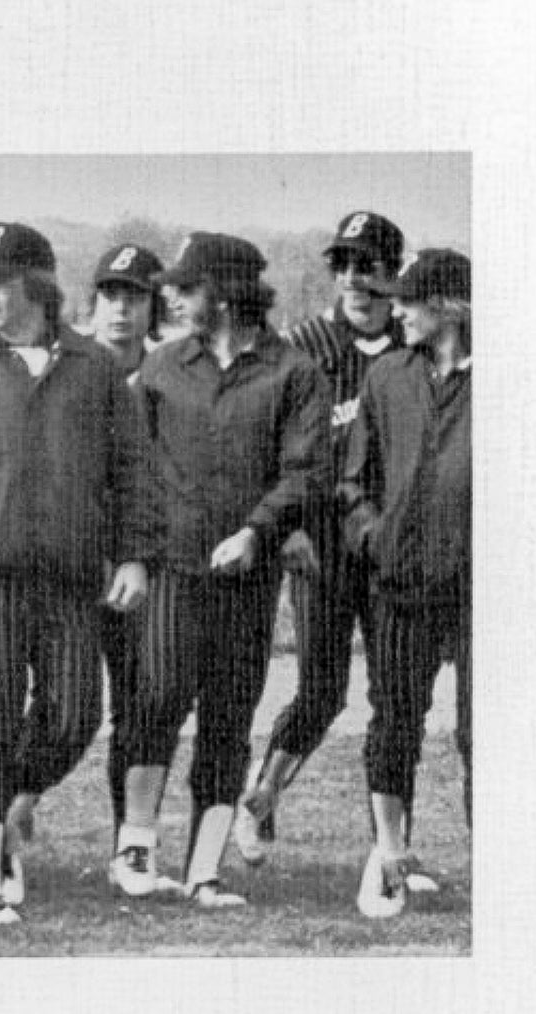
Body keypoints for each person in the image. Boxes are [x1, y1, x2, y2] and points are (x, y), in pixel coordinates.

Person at [0, 223, 160, 927]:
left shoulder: (95, 369)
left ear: (36, 288)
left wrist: (134, 555)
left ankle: (9, 809)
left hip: (72, 581)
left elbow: (132, 473)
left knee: (75, 717)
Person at [118, 232, 330, 907]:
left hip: (247, 576)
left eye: (184, 287)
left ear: (225, 290)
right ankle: (136, 848)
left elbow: (306, 471)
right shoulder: (160, 368)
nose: (171, 298)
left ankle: (205, 871)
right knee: (156, 698)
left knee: (227, 718)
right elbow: (131, 466)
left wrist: (254, 531)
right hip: (172, 568)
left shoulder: (294, 374)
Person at [236, 212, 410, 866]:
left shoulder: (412, 344)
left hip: (392, 544)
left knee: (396, 699)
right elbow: (265, 437)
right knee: (320, 691)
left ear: (394, 274)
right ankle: (262, 797)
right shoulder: (305, 341)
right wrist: (280, 528)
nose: (352, 279)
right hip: (320, 541)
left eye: (366, 265)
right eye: (341, 265)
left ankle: (393, 848)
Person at [5, 244, 170, 872]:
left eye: (135, 295)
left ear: (154, 306)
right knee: (61, 706)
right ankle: (17, 796)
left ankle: (130, 847)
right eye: (110, 293)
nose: (121, 307)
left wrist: (140, 555)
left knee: (143, 701)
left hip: (134, 566)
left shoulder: (169, 373)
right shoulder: (66, 366)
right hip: (66, 566)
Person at [339, 249, 471, 919]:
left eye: (409, 301)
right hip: (399, 582)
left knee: (484, 731)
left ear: (449, 306)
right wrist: (372, 532)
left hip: (483, 593)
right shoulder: (386, 376)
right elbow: (352, 481)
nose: (397, 311)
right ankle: (386, 856)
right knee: (393, 723)